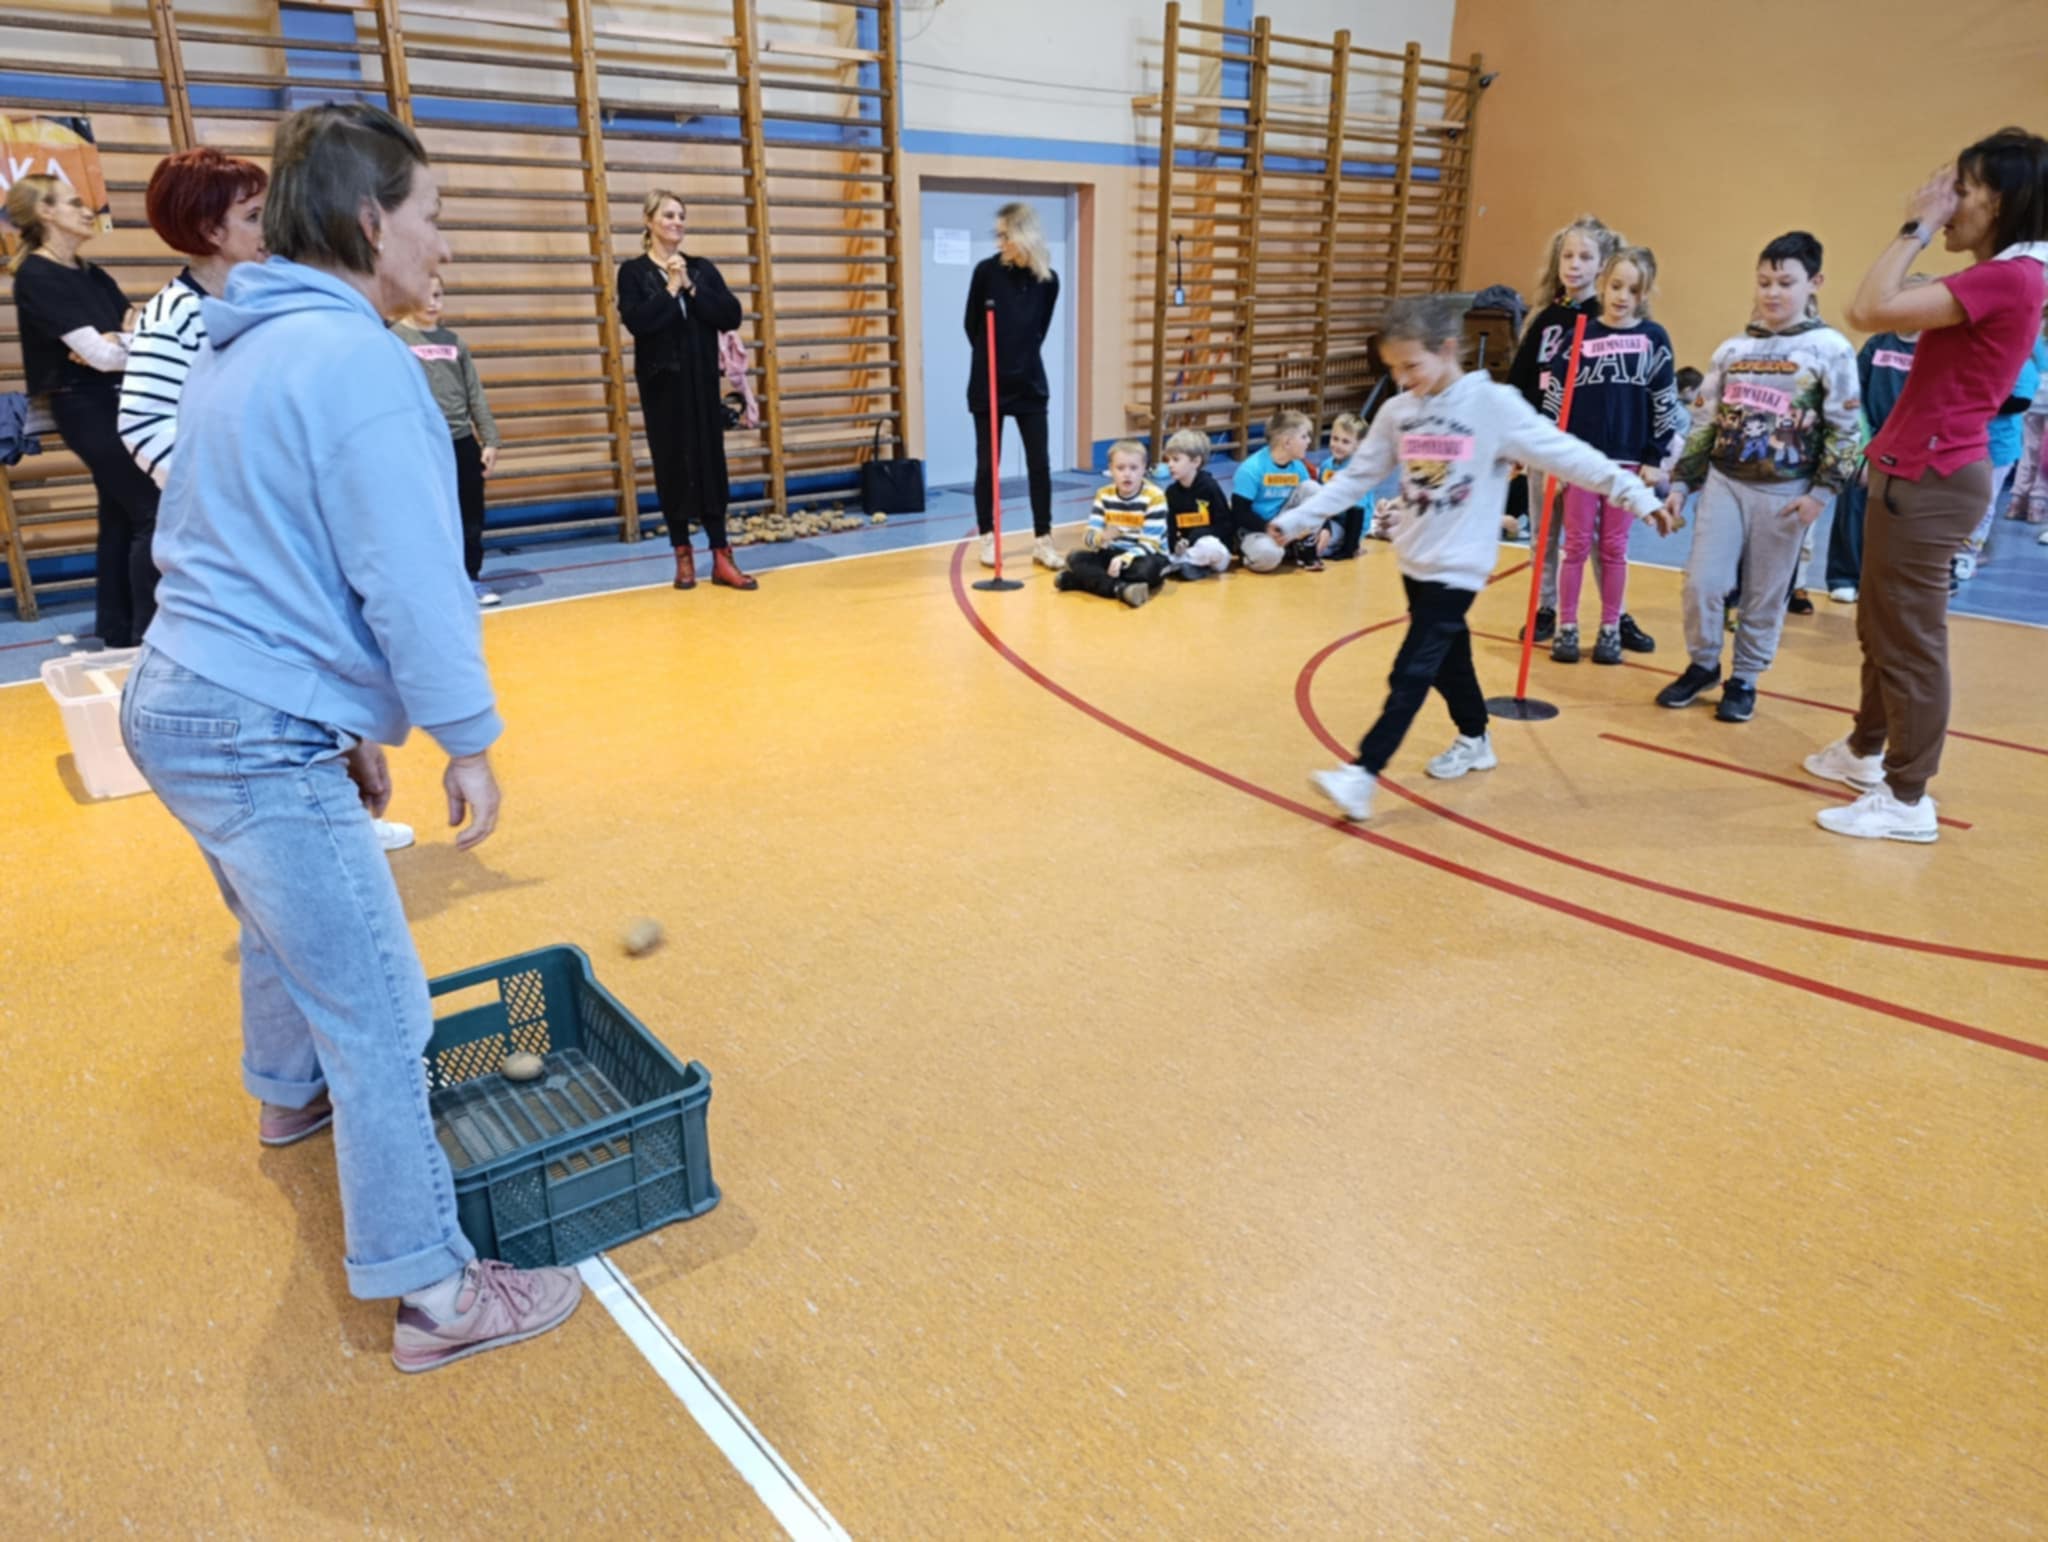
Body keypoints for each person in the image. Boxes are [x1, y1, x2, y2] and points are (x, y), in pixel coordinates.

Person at [118, 103, 581, 1371]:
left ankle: (287, 1097)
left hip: (183, 696)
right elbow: (410, 580)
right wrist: (465, 736)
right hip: (247, 720)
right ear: (373, 222)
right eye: (435, 216)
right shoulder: (363, 365)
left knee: (287, 922)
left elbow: (246, 544)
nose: (447, 245)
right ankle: (435, 1292)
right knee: (381, 1009)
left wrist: (334, 716)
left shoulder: (246, 342)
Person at [117, 146, 415, 862]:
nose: (271, 227)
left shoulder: (263, 300)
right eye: (254, 216)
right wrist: (226, 485)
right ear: (209, 231)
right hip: (237, 539)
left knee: (324, 659)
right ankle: (321, 819)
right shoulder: (175, 314)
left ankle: (342, 806)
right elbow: (142, 421)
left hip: (289, 528)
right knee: (286, 678)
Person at [1272, 296, 1671, 822]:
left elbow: (1567, 454)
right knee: (1448, 661)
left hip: (1459, 566)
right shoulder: (1399, 412)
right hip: (1415, 560)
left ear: (1447, 349)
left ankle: (1363, 774)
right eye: (1394, 368)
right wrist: (1298, 520)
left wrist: (1636, 495)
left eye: (1411, 365)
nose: (1403, 378)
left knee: (1412, 668)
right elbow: (1357, 478)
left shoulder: (1493, 406)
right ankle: (1476, 738)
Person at [1805, 128, 2048, 842]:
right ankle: (1865, 750)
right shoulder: (2003, 275)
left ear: (2002, 200)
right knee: (1882, 625)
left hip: (1937, 479)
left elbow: (1867, 309)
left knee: (1911, 639)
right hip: (1914, 469)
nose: (1946, 201)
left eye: (1962, 190)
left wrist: (1917, 224)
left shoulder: (2011, 277)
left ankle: (1908, 798)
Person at [1654, 232, 1860, 724]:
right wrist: (1681, 484)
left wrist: (1821, 493)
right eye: (1764, 281)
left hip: (1786, 493)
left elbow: (1847, 428)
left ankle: (1744, 677)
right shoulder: (1733, 350)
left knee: (1764, 595)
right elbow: (1704, 423)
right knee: (1702, 584)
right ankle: (1703, 664)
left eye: (1785, 283)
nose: (1772, 292)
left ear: (1814, 283)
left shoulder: (1830, 349)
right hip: (1725, 483)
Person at [6, 173, 159, 647]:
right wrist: (118, 344)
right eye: (74, 203)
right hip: (86, 407)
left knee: (119, 513)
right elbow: (101, 355)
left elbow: (135, 331)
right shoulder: (37, 276)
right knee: (151, 510)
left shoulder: (92, 274)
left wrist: (121, 341)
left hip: (117, 399)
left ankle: (118, 629)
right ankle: (151, 632)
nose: (88, 210)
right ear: (45, 212)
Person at [1541, 246, 1682, 665]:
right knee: (1575, 545)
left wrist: (1655, 457)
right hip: (1581, 462)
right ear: (1602, 283)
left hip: (1628, 463)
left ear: (1644, 294)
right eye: (1616, 286)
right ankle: (1567, 626)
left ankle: (1609, 628)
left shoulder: (1653, 339)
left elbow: (1664, 401)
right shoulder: (1579, 336)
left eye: (1633, 290)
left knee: (1614, 547)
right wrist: (1552, 457)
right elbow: (1555, 399)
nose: (1622, 297)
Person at [617, 189, 755, 592]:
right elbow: (639, 322)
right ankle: (682, 556)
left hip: (701, 385)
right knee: (672, 467)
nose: (676, 222)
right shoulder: (634, 273)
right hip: (662, 389)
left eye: (681, 216)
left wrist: (691, 286)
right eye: (668, 215)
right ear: (649, 221)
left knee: (712, 467)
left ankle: (722, 556)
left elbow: (730, 314)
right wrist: (671, 289)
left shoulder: (701, 268)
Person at [1506, 213, 1623, 640]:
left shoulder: (1607, 320)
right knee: (1543, 533)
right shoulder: (1544, 317)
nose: (1574, 265)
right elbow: (1519, 381)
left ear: (1602, 264)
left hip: (1583, 447)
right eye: (1567, 256)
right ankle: (1545, 607)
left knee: (1593, 537)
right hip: (1542, 443)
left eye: (1585, 257)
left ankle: (1614, 616)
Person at [392, 273, 502, 607]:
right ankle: (430, 583)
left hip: (461, 440)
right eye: (424, 295)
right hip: (420, 443)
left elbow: (474, 393)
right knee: (426, 516)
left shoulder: (454, 342)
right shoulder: (394, 340)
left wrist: (490, 439)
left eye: (438, 295)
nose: (432, 303)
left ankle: (470, 578)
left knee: (470, 513)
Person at [966, 202, 1062, 573]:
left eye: (1005, 235)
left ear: (1025, 235)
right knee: (987, 464)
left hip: (1030, 384)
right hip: (988, 383)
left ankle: (1043, 540)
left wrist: (1020, 360)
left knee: (1040, 463)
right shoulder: (986, 272)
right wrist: (995, 361)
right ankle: (988, 537)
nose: (999, 242)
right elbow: (972, 325)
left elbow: (1039, 330)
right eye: (998, 235)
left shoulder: (1047, 281)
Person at [1825, 286, 1928, 603]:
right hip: (1869, 443)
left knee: (1899, 516)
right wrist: (1866, 447)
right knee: (1853, 505)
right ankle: (1844, 575)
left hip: (1910, 446)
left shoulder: (1933, 348)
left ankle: (1887, 579)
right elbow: (1854, 395)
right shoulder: (1878, 344)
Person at [1952, 342, 2040, 585]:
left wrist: (1977, 400)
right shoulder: (1983, 360)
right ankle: (1954, 546)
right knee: (1959, 499)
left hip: (1999, 447)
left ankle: (1969, 552)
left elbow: (2020, 402)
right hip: (1967, 442)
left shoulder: (2023, 366)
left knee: (1984, 502)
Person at [1056, 440, 1170, 607]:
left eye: (1134, 468)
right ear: (1111, 469)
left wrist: (1124, 559)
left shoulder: (1155, 497)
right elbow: (1089, 535)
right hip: (1114, 554)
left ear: (1144, 468)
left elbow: (1150, 544)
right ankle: (1120, 589)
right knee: (1075, 558)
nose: (1127, 474)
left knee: (1145, 571)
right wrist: (1101, 538)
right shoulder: (1103, 494)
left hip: (1145, 555)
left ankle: (1078, 581)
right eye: (1120, 468)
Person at [1232, 409, 1321, 571]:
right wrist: (1267, 528)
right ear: (1287, 443)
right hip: (1256, 528)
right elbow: (1240, 512)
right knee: (1268, 556)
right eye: (1304, 437)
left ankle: (1299, 544)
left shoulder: (1298, 467)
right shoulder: (1251, 468)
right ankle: (1252, 551)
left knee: (1312, 488)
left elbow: (1313, 505)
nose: (1308, 441)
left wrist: (1325, 530)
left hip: (1283, 524)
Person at [1159, 428, 1233, 578]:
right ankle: (1189, 566)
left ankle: (1182, 564)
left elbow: (1225, 526)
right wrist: (1175, 546)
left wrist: (1195, 536)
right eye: (1168, 460)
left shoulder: (1209, 487)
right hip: (1186, 550)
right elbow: (1170, 526)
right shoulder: (1171, 492)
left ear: (1196, 462)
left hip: (1213, 548)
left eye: (1176, 460)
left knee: (1209, 546)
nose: (1170, 465)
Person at [2006, 307, 2048, 527]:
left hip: (2032, 392)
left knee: (2029, 449)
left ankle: (2017, 501)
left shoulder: (2035, 324)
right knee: (2045, 455)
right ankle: (2037, 505)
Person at [1313, 412, 1373, 561]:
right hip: (1330, 519)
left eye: (1345, 442)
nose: (1338, 445)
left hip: (1349, 526)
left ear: (1359, 445)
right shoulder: (1326, 465)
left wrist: (1350, 548)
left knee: (1316, 547)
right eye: (1335, 438)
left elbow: (1357, 511)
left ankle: (1346, 546)